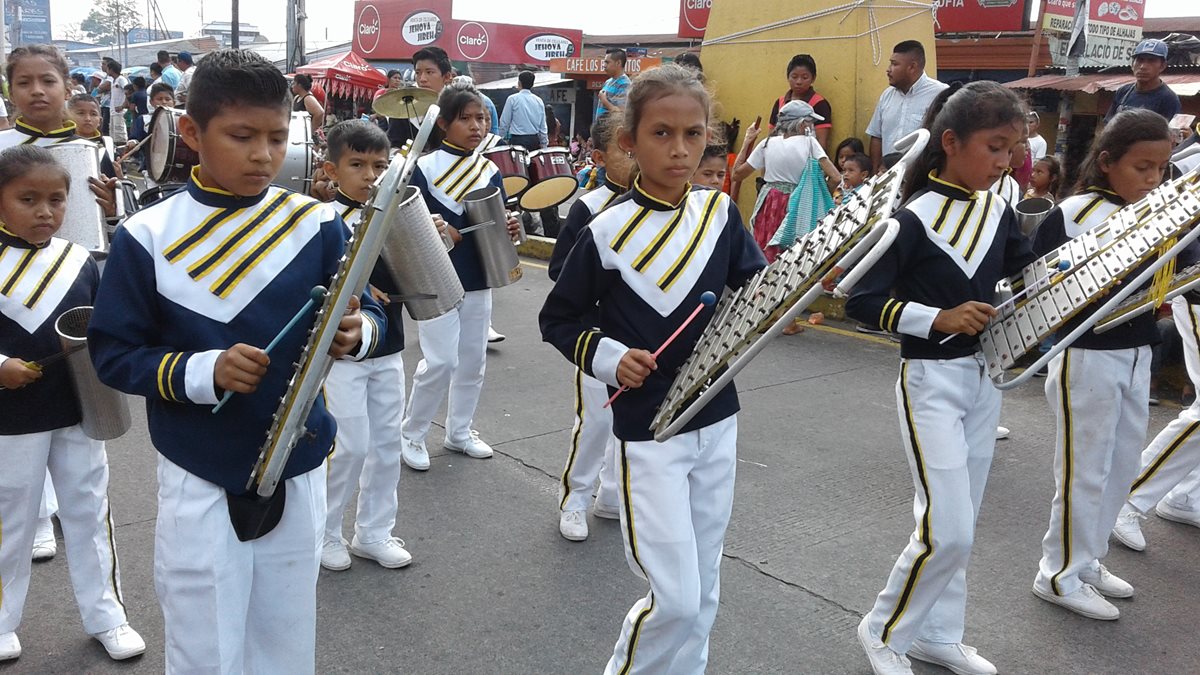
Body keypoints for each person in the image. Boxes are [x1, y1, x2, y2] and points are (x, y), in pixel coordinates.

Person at [87, 49, 385, 673]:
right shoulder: (148, 235)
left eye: (277, 138)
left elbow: (369, 308)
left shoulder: (316, 223)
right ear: (192, 133)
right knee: (204, 633)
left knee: (287, 631)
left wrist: (356, 333)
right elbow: (114, 354)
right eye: (241, 136)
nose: (263, 156)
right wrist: (204, 371)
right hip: (199, 465)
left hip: (299, 458)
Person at [541, 63, 766, 674]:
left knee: (706, 580)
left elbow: (755, 290)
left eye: (694, 134)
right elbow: (559, 319)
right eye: (661, 134)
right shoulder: (605, 230)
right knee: (676, 597)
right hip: (648, 430)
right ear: (629, 142)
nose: (680, 150)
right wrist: (612, 358)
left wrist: (791, 295)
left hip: (717, 417)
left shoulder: (721, 215)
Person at [847, 81, 1033, 675]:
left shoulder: (999, 210)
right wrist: (937, 318)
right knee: (946, 527)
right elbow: (858, 299)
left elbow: (1021, 273)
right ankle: (883, 629)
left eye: (1011, 150)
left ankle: (940, 633)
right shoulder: (911, 219)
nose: (1005, 162)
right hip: (930, 381)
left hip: (985, 379)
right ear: (950, 142)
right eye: (994, 147)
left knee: (962, 521)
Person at [0, 144, 146, 663]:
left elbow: (105, 327)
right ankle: (2, 621)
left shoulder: (78, 258)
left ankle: (107, 615)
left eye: (56, 200)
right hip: (11, 418)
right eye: (28, 200)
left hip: (81, 411)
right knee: (10, 520)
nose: (45, 211)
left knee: (90, 511)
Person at [1027, 108, 1172, 622]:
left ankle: (1087, 559)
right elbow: (1039, 284)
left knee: (1122, 465)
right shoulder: (1074, 213)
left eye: (1161, 168)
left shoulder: (1157, 210)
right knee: (1084, 470)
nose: (1153, 178)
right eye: (1142, 167)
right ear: (1107, 162)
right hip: (1087, 355)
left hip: (1136, 352)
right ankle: (1058, 573)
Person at [399, 80, 520, 472]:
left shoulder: (489, 170)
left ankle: (459, 431)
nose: (476, 126)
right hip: (432, 277)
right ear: (444, 124)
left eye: (481, 118)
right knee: (440, 361)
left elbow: (496, 222)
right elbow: (406, 222)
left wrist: (509, 227)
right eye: (465, 118)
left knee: (472, 361)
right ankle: (412, 432)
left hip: (477, 276)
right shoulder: (423, 167)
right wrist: (438, 229)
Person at [320, 120, 415, 572]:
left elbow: (419, 271)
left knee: (386, 444)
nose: (370, 175)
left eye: (379, 165)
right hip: (340, 355)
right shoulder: (322, 221)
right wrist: (358, 287)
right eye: (357, 165)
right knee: (348, 446)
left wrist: (435, 235)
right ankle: (325, 532)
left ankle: (374, 531)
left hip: (389, 345)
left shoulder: (398, 215)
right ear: (331, 170)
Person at [547, 111, 631, 542]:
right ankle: (575, 499)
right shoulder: (589, 206)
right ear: (599, 157)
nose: (635, 157)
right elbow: (560, 270)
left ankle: (612, 494)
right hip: (598, 336)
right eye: (624, 149)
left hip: (642, 336)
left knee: (629, 421)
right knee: (595, 421)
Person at [0, 46, 120, 221]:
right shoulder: (2, 145)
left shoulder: (92, 153)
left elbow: (115, 224)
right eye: (24, 83)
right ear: (11, 94)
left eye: (48, 81)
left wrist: (111, 212)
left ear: (67, 90)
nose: (37, 90)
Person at [732, 100, 840, 262]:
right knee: (794, 255)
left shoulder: (766, 144)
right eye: (811, 122)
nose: (812, 126)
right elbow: (836, 177)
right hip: (799, 203)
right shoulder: (810, 143)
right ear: (802, 124)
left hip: (769, 202)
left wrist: (747, 141)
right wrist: (821, 193)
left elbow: (736, 174)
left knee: (765, 250)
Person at [866, 40, 948, 175]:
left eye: (894, 64)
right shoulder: (887, 96)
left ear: (912, 67)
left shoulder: (940, 94)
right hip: (889, 177)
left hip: (922, 177)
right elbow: (876, 136)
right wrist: (875, 173)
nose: (888, 70)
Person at [1105, 39, 1181, 122]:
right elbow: (1108, 124)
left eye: (1151, 61)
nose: (1143, 67)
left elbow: (1171, 129)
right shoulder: (1123, 92)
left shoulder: (1169, 99)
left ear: (1162, 66)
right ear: (1132, 64)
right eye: (1140, 60)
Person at [768, 54, 833, 150]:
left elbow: (821, 143)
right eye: (794, 77)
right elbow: (771, 136)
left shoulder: (819, 104)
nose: (799, 82)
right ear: (788, 77)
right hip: (780, 154)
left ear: (813, 78)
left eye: (804, 77)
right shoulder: (780, 102)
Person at [499, 70, 548, 150]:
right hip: (533, 141)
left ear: (519, 83)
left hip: (517, 140)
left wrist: (501, 138)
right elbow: (543, 126)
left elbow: (504, 122)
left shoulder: (512, 99)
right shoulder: (539, 101)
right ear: (532, 84)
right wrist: (544, 144)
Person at [594, 49, 631, 122]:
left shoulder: (625, 84)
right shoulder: (608, 82)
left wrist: (604, 101)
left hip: (611, 128)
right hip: (600, 127)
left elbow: (621, 113)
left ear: (618, 63)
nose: (604, 65)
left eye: (607, 62)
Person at [101, 60, 129, 144]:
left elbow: (128, 92)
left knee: (120, 133)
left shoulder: (121, 79)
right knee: (113, 134)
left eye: (108, 68)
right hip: (113, 111)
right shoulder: (114, 80)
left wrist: (123, 106)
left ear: (111, 69)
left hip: (119, 111)